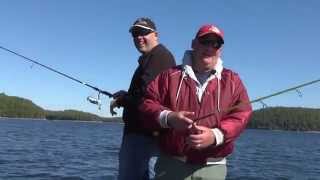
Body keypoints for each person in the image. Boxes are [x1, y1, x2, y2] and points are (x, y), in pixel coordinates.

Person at [138, 24, 252, 179]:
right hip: (171, 164)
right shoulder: (169, 76)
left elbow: (242, 114)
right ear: (194, 44)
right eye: (205, 41)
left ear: (220, 50)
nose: (210, 47)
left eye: (215, 44)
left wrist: (215, 135)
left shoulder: (233, 80)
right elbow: (147, 104)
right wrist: (169, 118)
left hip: (213, 167)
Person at [110, 17, 176, 180]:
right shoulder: (150, 59)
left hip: (145, 138)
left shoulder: (160, 57)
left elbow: (146, 97)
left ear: (155, 35)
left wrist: (122, 100)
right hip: (141, 136)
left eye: (143, 32)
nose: (139, 37)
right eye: (135, 34)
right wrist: (125, 94)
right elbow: (145, 91)